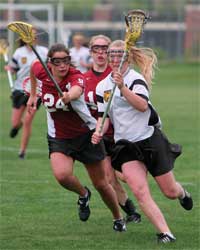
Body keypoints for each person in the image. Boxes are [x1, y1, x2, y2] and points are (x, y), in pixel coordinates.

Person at [92, 40, 193, 243]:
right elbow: (104, 118)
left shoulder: (136, 79)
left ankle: (182, 193)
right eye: (111, 53)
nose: (113, 57)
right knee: (139, 191)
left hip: (149, 140)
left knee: (169, 191)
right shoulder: (102, 87)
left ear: (127, 57)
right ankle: (166, 233)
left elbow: (141, 106)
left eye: (118, 54)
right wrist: (98, 132)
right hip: (126, 145)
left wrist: (122, 88)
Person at [27, 43, 126, 232]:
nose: (63, 65)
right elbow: (33, 69)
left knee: (101, 184)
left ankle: (118, 217)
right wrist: (33, 95)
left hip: (86, 135)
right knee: (62, 176)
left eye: (66, 61)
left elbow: (77, 90)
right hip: (59, 137)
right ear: (50, 63)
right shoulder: (41, 69)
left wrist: (68, 96)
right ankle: (83, 194)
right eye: (58, 62)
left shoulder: (76, 76)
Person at [84, 34, 141, 223]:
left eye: (104, 48)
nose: (100, 53)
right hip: (100, 135)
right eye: (96, 48)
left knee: (124, 176)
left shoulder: (118, 74)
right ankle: (131, 212)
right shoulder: (83, 78)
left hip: (120, 135)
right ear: (90, 51)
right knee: (109, 177)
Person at [5, 31, 48, 159]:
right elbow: (14, 68)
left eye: (34, 36)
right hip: (19, 89)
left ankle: (22, 151)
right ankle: (16, 127)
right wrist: (9, 69)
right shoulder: (19, 52)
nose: (32, 38)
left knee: (28, 121)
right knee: (15, 122)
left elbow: (50, 68)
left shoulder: (44, 52)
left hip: (36, 91)